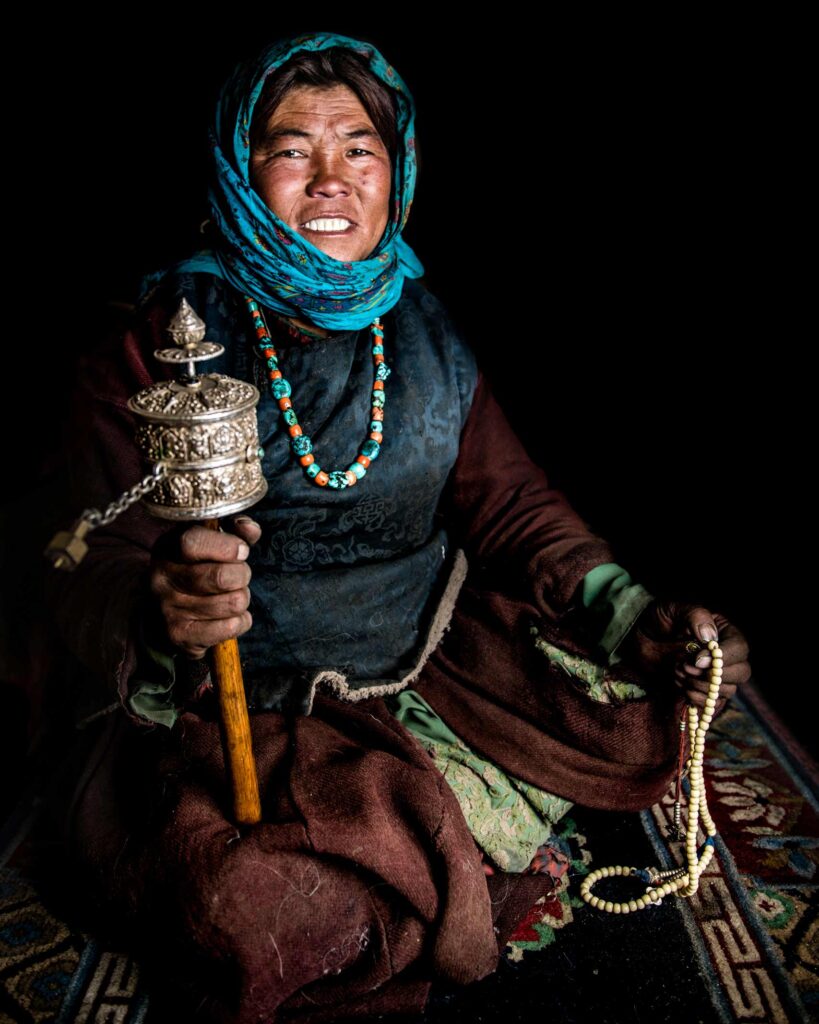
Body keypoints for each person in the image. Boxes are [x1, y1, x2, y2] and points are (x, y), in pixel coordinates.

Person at [47, 31, 750, 1024]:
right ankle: (415, 847)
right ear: (242, 173)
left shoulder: (422, 326)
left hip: (422, 650)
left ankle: (405, 843)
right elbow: (84, 558)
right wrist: (157, 602)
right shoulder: (156, 339)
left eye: (359, 150)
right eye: (292, 150)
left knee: (638, 701)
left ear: (397, 171)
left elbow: (510, 504)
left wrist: (627, 602)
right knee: (241, 906)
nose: (330, 178)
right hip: (239, 695)